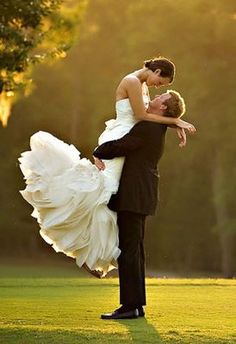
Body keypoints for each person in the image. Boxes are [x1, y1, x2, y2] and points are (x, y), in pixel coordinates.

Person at [19, 57, 195, 277]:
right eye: (160, 83)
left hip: (126, 139)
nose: (157, 88)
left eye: (161, 88)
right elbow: (142, 116)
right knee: (104, 191)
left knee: (110, 196)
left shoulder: (141, 86)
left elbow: (149, 118)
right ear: (156, 71)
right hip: (121, 139)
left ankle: (89, 252)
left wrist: (172, 122)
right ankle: (84, 250)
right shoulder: (131, 81)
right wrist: (174, 122)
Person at [93, 90, 188, 320]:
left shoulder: (149, 127)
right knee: (134, 250)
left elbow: (122, 145)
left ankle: (129, 307)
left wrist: (98, 151)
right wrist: (175, 123)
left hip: (134, 195)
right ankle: (135, 305)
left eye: (160, 97)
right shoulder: (157, 125)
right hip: (141, 195)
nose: (154, 98)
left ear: (163, 107)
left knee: (130, 251)